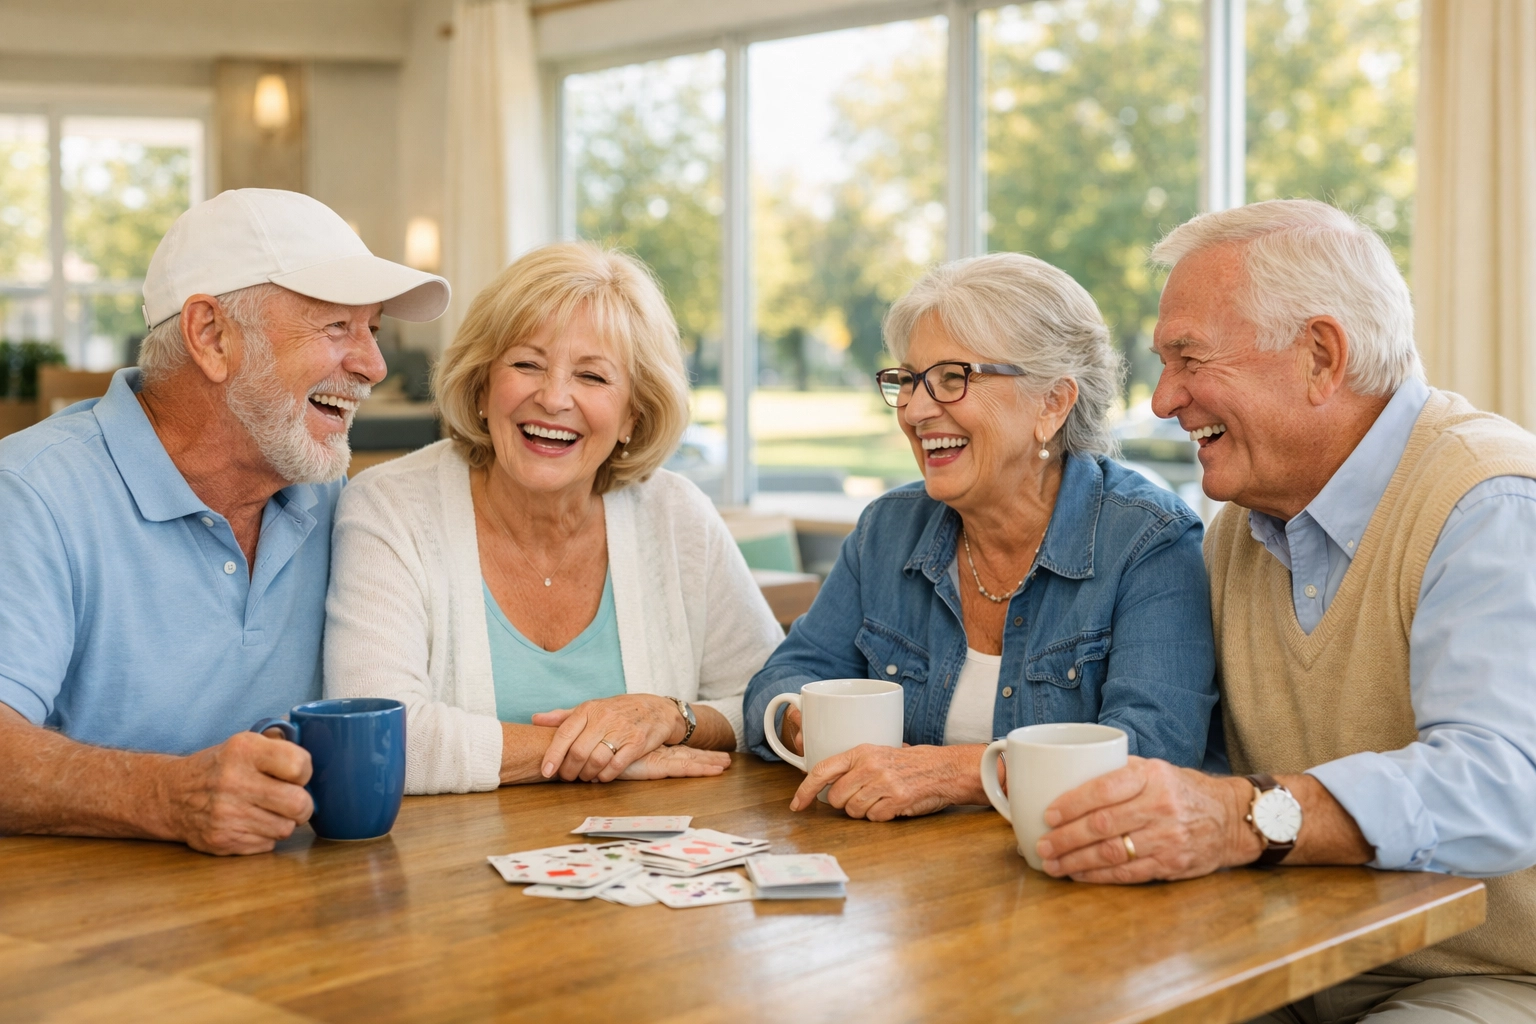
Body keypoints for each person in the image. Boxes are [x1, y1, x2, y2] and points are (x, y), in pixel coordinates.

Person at [1034, 199, 1536, 1021]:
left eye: (1188, 358)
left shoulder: (1489, 500)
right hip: (1290, 957)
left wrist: (1243, 819)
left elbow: (1504, 787)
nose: (1163, 401)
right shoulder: (1234, 533)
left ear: (1320, 356)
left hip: (1489, 977)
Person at [0, 188, 449, 855]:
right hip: (67, 935)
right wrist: (166, 794)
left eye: (373, 329)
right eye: (336, 328)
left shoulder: (335, 500)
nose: (373, 365)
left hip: (285, 915)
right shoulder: (30, 494)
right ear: (211, 336)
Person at [743, 252, 1218, 820]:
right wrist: (814, 725)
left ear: (1052, 403)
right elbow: (779, 681)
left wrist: (956, 774)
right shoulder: (887, 529)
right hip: (900, 879)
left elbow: (1154, 750)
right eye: (909, 380)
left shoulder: (1148, 541)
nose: (916, 410)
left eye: (952, 379)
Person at [323, 241, 782, 794]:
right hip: (446, 869)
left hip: (646, 869)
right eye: (526, 364)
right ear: (482, 385)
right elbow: (381, 736)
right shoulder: (389, 508)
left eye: (592, 377)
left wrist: (672, 717)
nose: (554, 397)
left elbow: (767, 701)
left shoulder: (677, 514)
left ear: (633, 413)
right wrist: (602, 753)